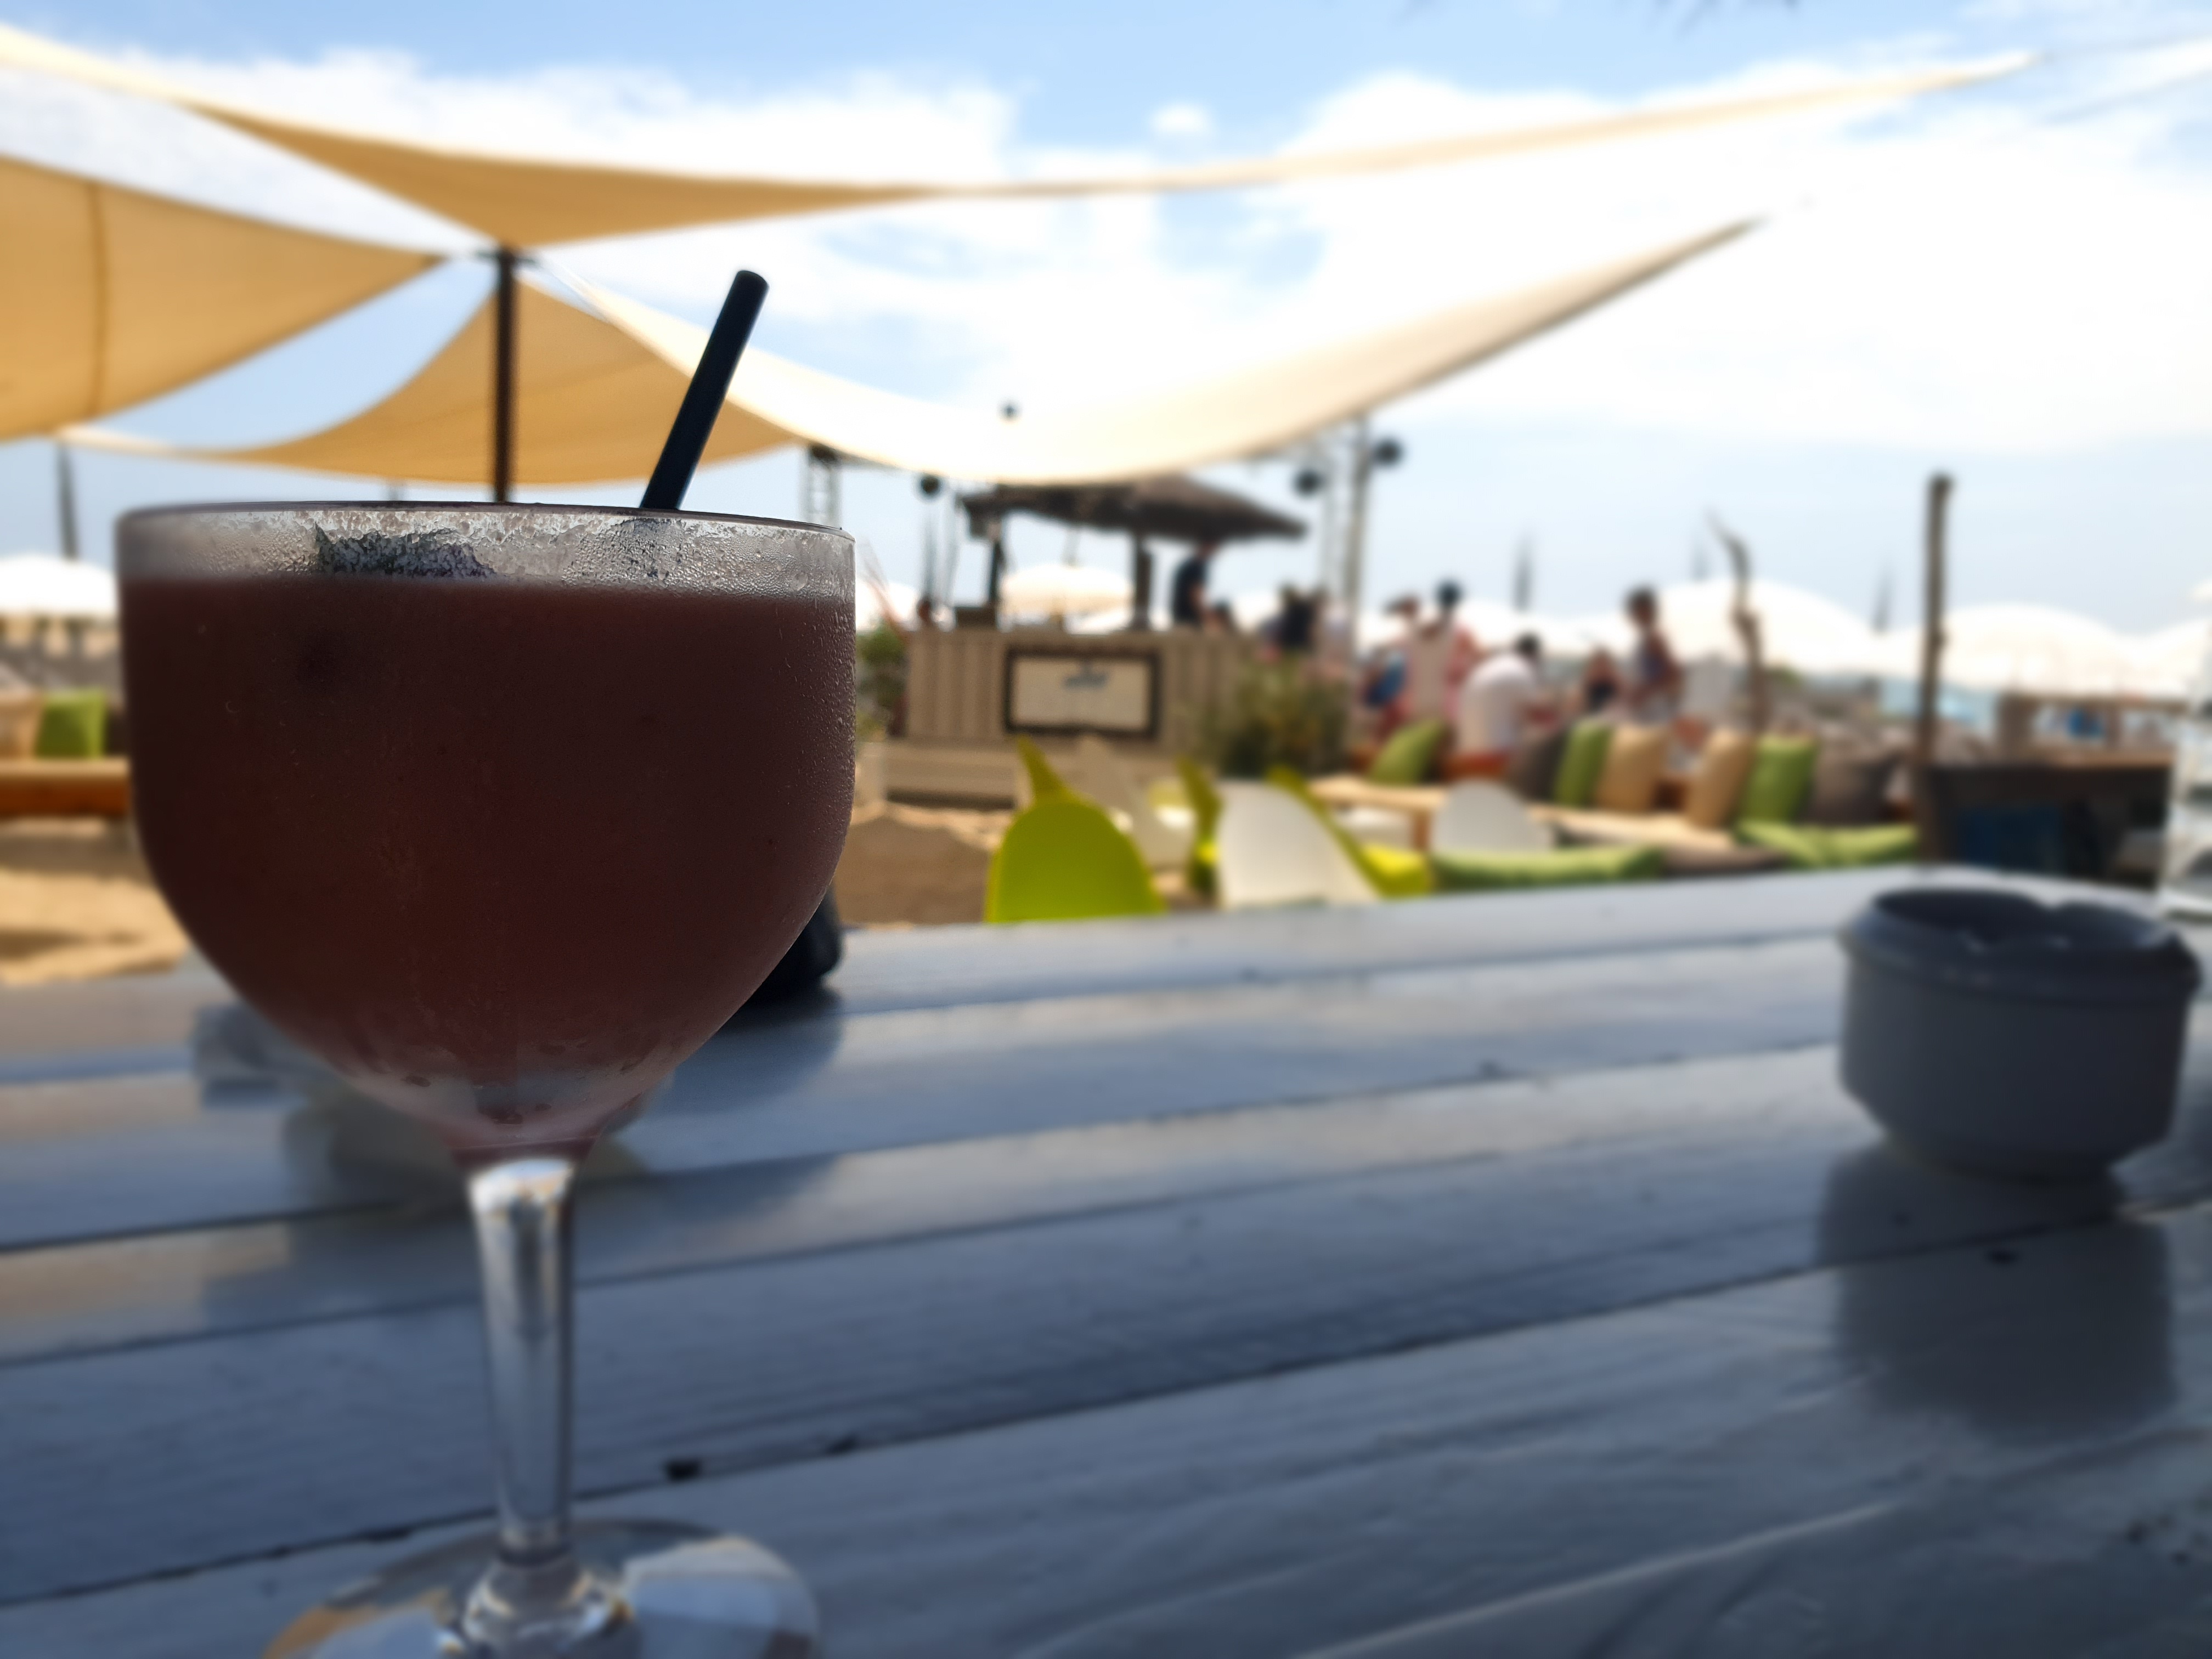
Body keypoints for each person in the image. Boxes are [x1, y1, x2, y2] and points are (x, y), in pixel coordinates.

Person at [1455, 633, 1551, 772]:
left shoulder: (1492, 666)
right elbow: (1539, 718)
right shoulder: (1523, 669)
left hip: (1463, 757)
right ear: (1535, 655)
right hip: (1495, 759)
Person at [1402, 580, 1480, 726]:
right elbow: (1475, 664)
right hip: (1445, 707)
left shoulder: (1413, 629)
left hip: (1414, 703)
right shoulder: (1460, 632)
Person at [1622, 586, 1681, 719]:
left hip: (1655, 709)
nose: (1637, 615)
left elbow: (1672, 674)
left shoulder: (1654, 639)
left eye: (1641, 611)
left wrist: (1644, 691)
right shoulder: (1645, 639)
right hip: (1647, 708)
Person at [1169, 540, 1221, 629]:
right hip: (1188, 622)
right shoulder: (1197, 567)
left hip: (1179, 618)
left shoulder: (1187, 565)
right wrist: (1211, 620)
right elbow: (1195, 597)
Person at [1579, 647, 1622, 715]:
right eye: (1599, 664)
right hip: (1591, 716)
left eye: (1604, 664)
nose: (1602, 668)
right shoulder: (1587, 683)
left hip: (1613, 715)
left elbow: (1625, 701)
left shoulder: (1616, 681)